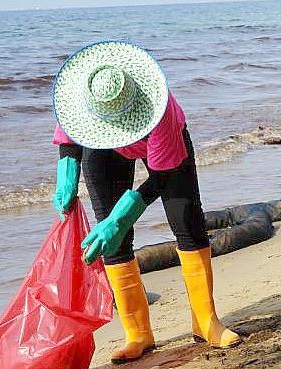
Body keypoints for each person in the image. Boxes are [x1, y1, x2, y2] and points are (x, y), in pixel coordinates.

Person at [50, 41, 240, 364]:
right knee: (113, 242)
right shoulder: (84, 97)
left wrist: (121, 216)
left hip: (163, 151)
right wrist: (67, 173)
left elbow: (161, 178)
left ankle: (205, 321)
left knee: (187, 221)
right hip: (101, 152)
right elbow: (69, 137)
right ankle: (137, 333)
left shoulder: (160, 111)